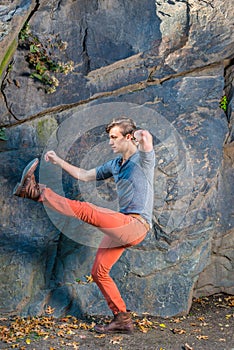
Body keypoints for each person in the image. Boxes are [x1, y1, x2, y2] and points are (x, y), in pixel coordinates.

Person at [13, 117, 155, 334]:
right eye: (109, 138)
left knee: (87, 209)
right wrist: (58, 161)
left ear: (127, 137)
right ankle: (123, 320)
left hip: (136, 224)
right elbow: (84, 175)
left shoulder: (143, 160)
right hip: (122, 225)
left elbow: (145, 137)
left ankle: (36, 191)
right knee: (99, 272)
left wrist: (132, 133)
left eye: (114, 137)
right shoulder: (115, 165)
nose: (110, 142)